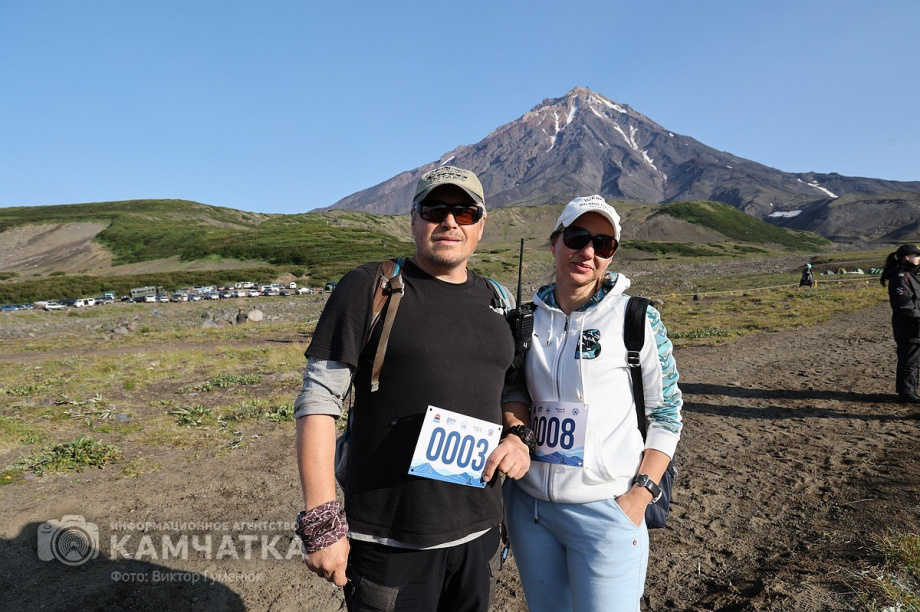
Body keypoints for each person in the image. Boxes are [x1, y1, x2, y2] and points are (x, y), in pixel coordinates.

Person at [293, 166, 532, 612]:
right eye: (435, 209)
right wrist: (322, 520)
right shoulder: (370, 287)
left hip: (479, 531)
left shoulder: (499, 300)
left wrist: (518, 437)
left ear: (481, 224)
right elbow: (318, 401)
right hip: (389, 535)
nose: (449, 222)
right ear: (413, 219)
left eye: (464, 211)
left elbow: (511, 389)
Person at [501, 195, 683, 612]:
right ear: (554, 243)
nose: (588, 252)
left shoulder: (636, 319)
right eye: (577, 237)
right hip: (530, 512)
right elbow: (514, 393)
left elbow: (667, 411)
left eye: (603, 245)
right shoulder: (526, 320)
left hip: (607, 510)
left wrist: (640, 495)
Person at [880, 244, 920, 404]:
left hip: (916, 326)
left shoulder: (913, 274)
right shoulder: (900, 277)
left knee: (914, 359)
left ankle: (910, 391)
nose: (919, 258)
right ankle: (906, 394)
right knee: (909, 360)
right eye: (916, 255)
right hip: (908, 327)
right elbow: (905, 306)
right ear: (906, 257)